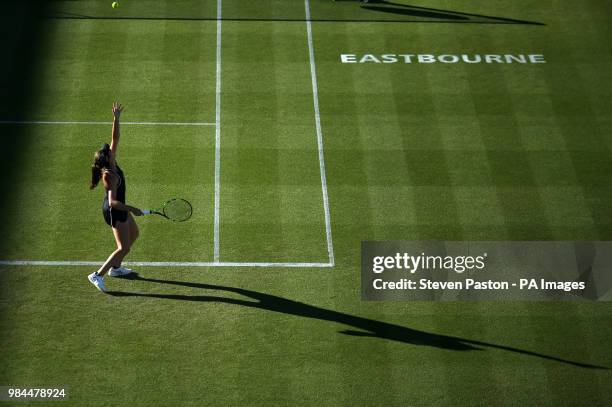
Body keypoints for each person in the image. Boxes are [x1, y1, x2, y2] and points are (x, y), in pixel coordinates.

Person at [88, 102, 143, 292]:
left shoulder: (111, 159)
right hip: (114, 209)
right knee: (123, 247)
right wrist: (133, 209)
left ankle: (117, 268)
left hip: (120, 206)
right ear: (107, 158)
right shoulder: (109, 176)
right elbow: (113, 202)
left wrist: (116, 118)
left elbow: (115, 137)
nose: (111, 149)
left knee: (134, 234)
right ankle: (98, 274)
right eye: (108, 151)